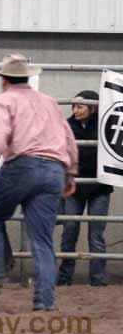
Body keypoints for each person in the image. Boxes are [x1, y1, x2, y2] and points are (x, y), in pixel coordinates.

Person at [0, 53, 78, 312]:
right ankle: (45, 303)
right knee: (42, 240)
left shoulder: (3, 101)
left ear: (4, 80)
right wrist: (70, 173)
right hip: (54, 169)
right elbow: (68, 136)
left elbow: (0, 135)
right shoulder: (49, 101)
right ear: (27, 76)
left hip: (23, 166)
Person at [57, 90, 113, 287]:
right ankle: (64, 278)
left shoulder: (106, 124)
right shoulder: (67, 125)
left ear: (93, 108)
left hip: (100, 187)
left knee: (96, 234)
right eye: (73, 106)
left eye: (80, 106)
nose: (75, 109)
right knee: (69, 231)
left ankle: (97, 279)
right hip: (75, 187)